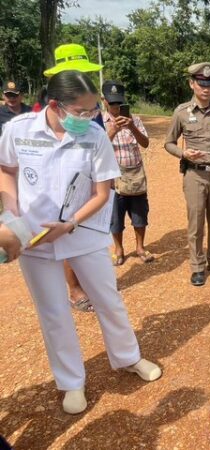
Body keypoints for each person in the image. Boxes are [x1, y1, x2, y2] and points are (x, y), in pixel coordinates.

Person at [0, 70, 161, 415]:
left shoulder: (94, 135)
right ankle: (71, 382)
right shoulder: (18, 131)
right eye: (82, 112)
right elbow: (7, 171)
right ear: (55, 105)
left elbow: (102, 193)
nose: (89, 118)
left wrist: (70, 223)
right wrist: (11, 216)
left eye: (92, 111)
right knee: (54, 313)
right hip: (35, 238)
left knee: (109, 300)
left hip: (83, 233)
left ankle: (128, 358)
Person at [45, 43, 106, 312]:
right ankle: (74, 288)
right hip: (67, 184)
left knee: (91, 231)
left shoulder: (89, 104)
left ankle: (89, 279)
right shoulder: (54, 110)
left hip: (94, 176)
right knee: (67, 231)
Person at [164, 62, 210, 286]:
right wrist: (183, 153)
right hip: (194, 175)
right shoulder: (182, 112)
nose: (206, 88)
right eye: (201, 84)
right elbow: (168, 143)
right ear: (192, 84)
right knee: (196, 223)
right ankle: (197, 266)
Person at [101, 80, 153, 266]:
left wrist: (132, 127)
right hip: (113, 178)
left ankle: (140, 247)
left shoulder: (135, 120)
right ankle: (119, 249)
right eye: (112, 102)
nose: (116, 107)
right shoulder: (99, 122)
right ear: (104, 101)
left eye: (118, 102)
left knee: (140, 214)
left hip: (135, 175)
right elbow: (97, 150)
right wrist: (112, 131)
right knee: (116, 217)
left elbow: (145, 143)